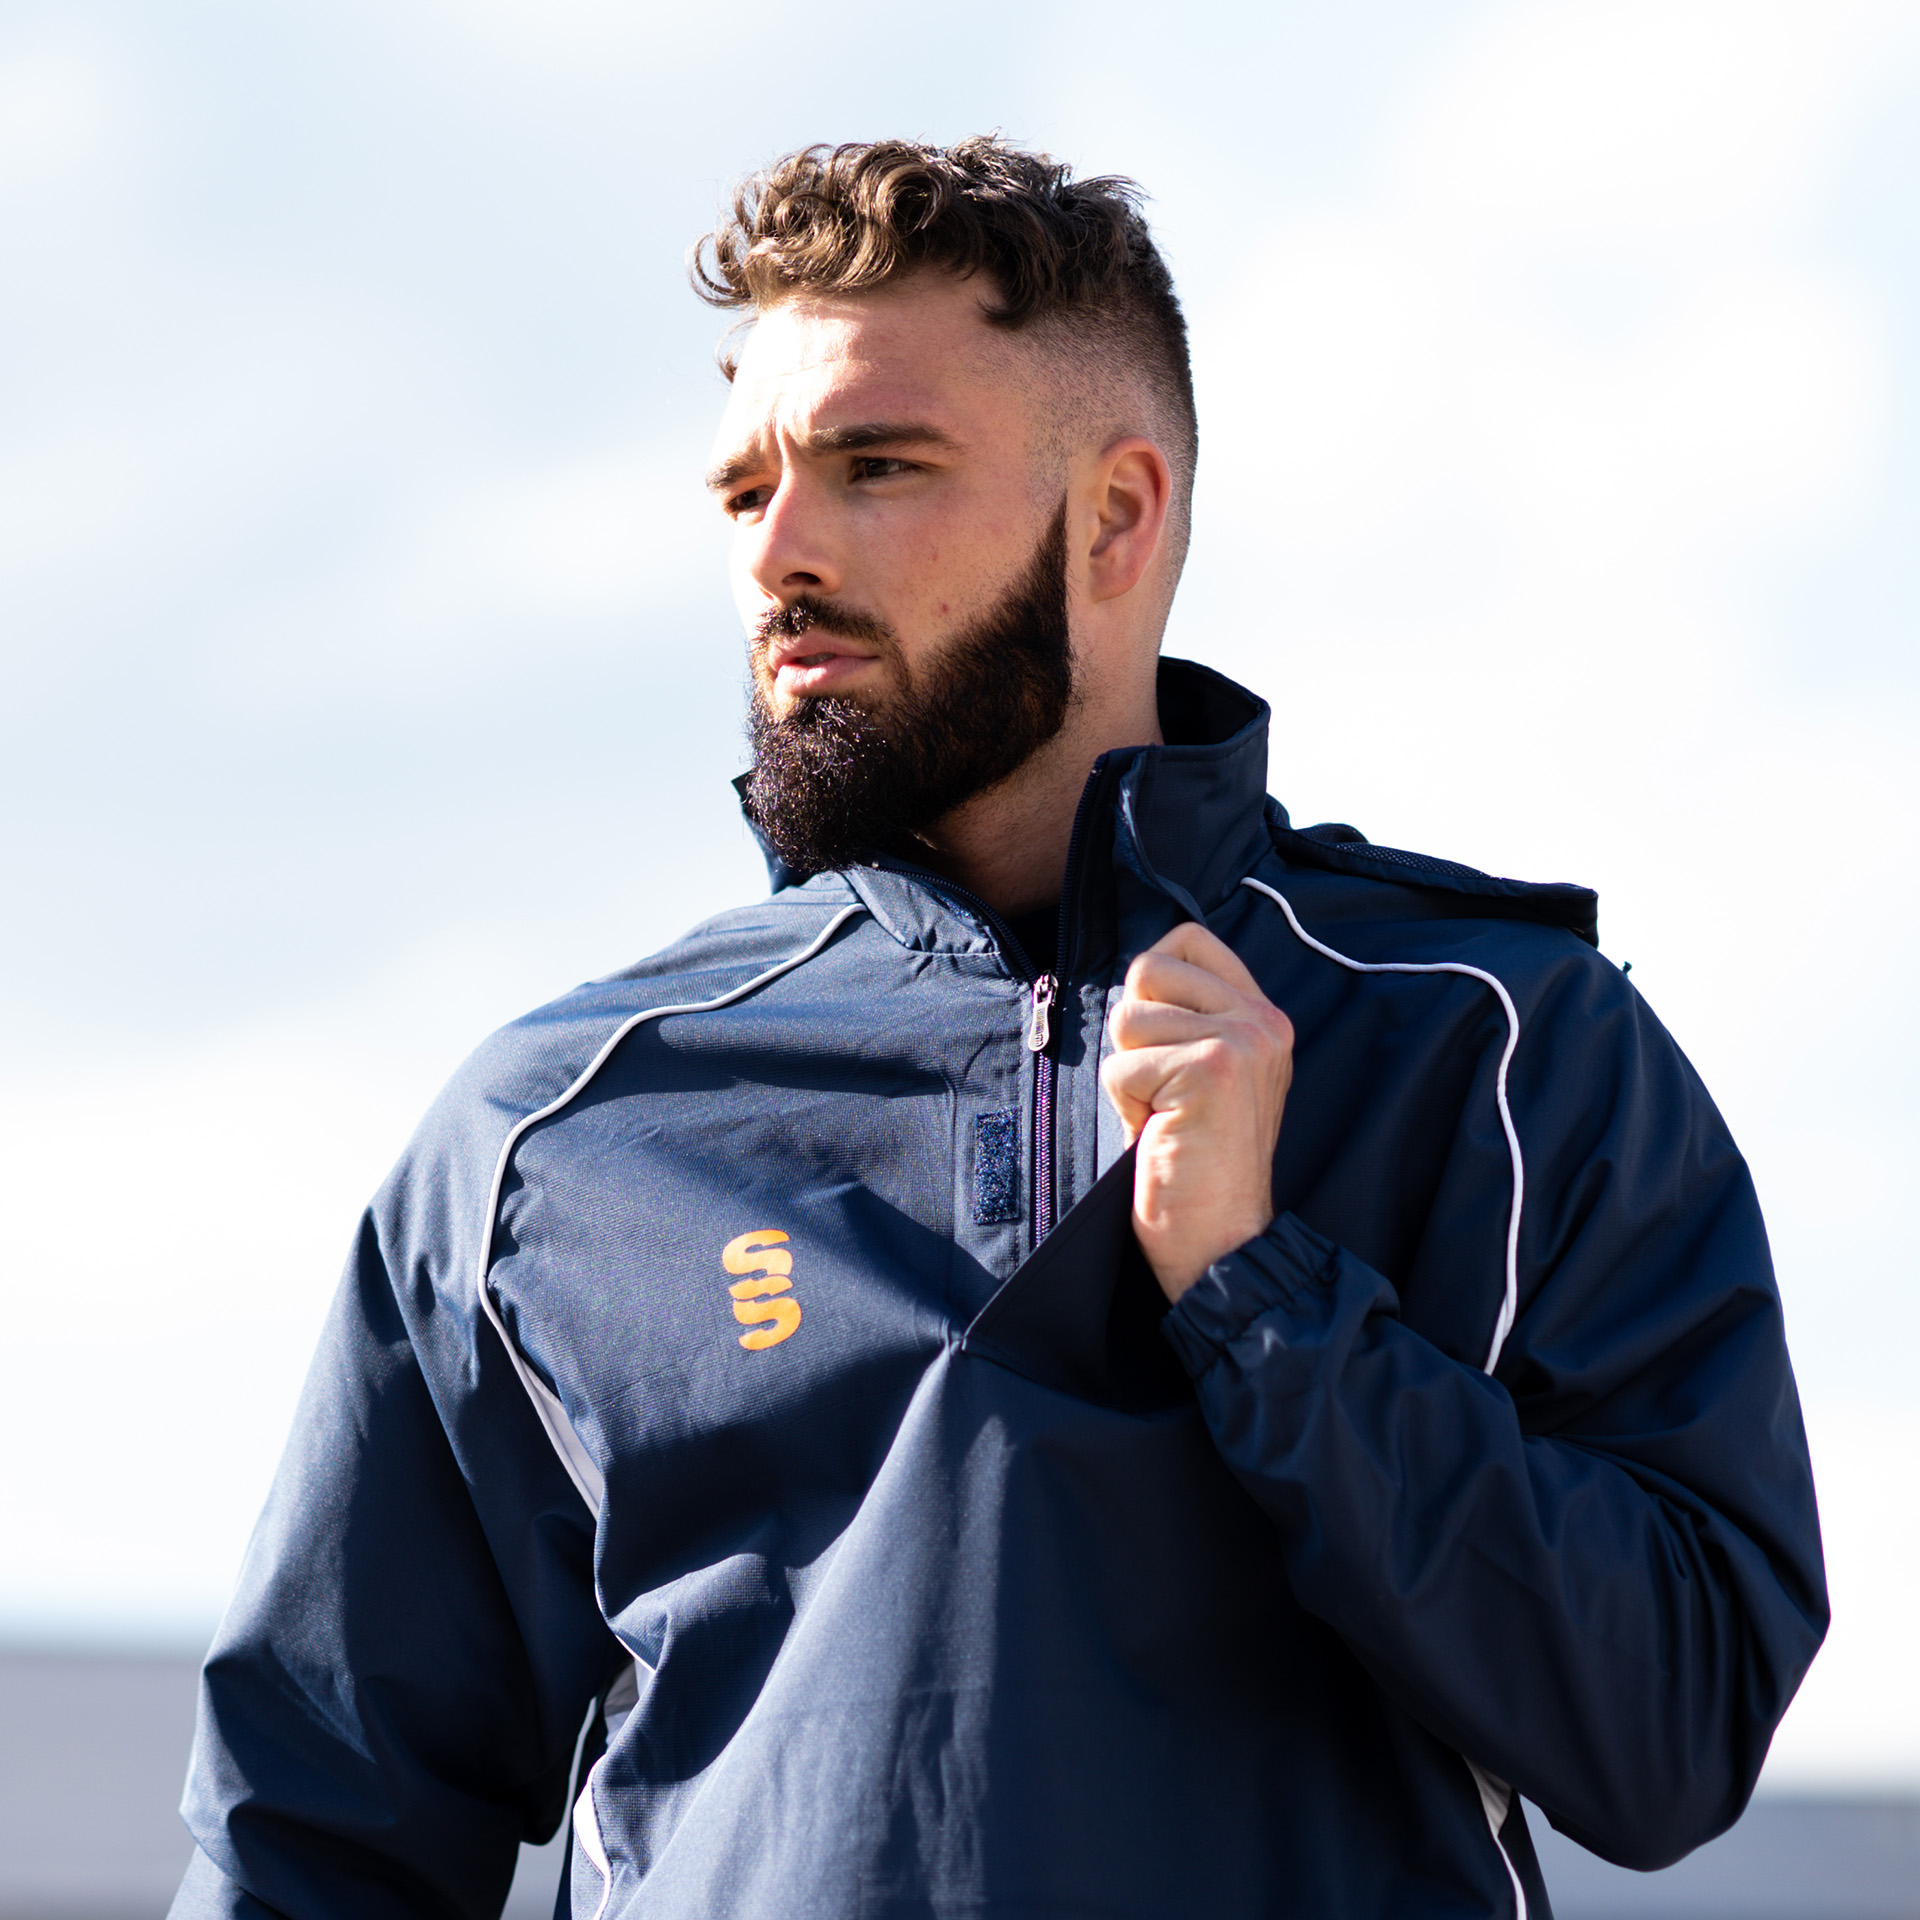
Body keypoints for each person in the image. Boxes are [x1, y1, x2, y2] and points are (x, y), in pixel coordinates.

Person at [171, 138, 1826, 1920]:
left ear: (1117, 518)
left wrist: (1265, 1300)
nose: (779, 555)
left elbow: (1672, 1735)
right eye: (744, 493)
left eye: (875, 467)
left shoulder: (1500, 1051)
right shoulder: (553, 1131)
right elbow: (307, 1843)